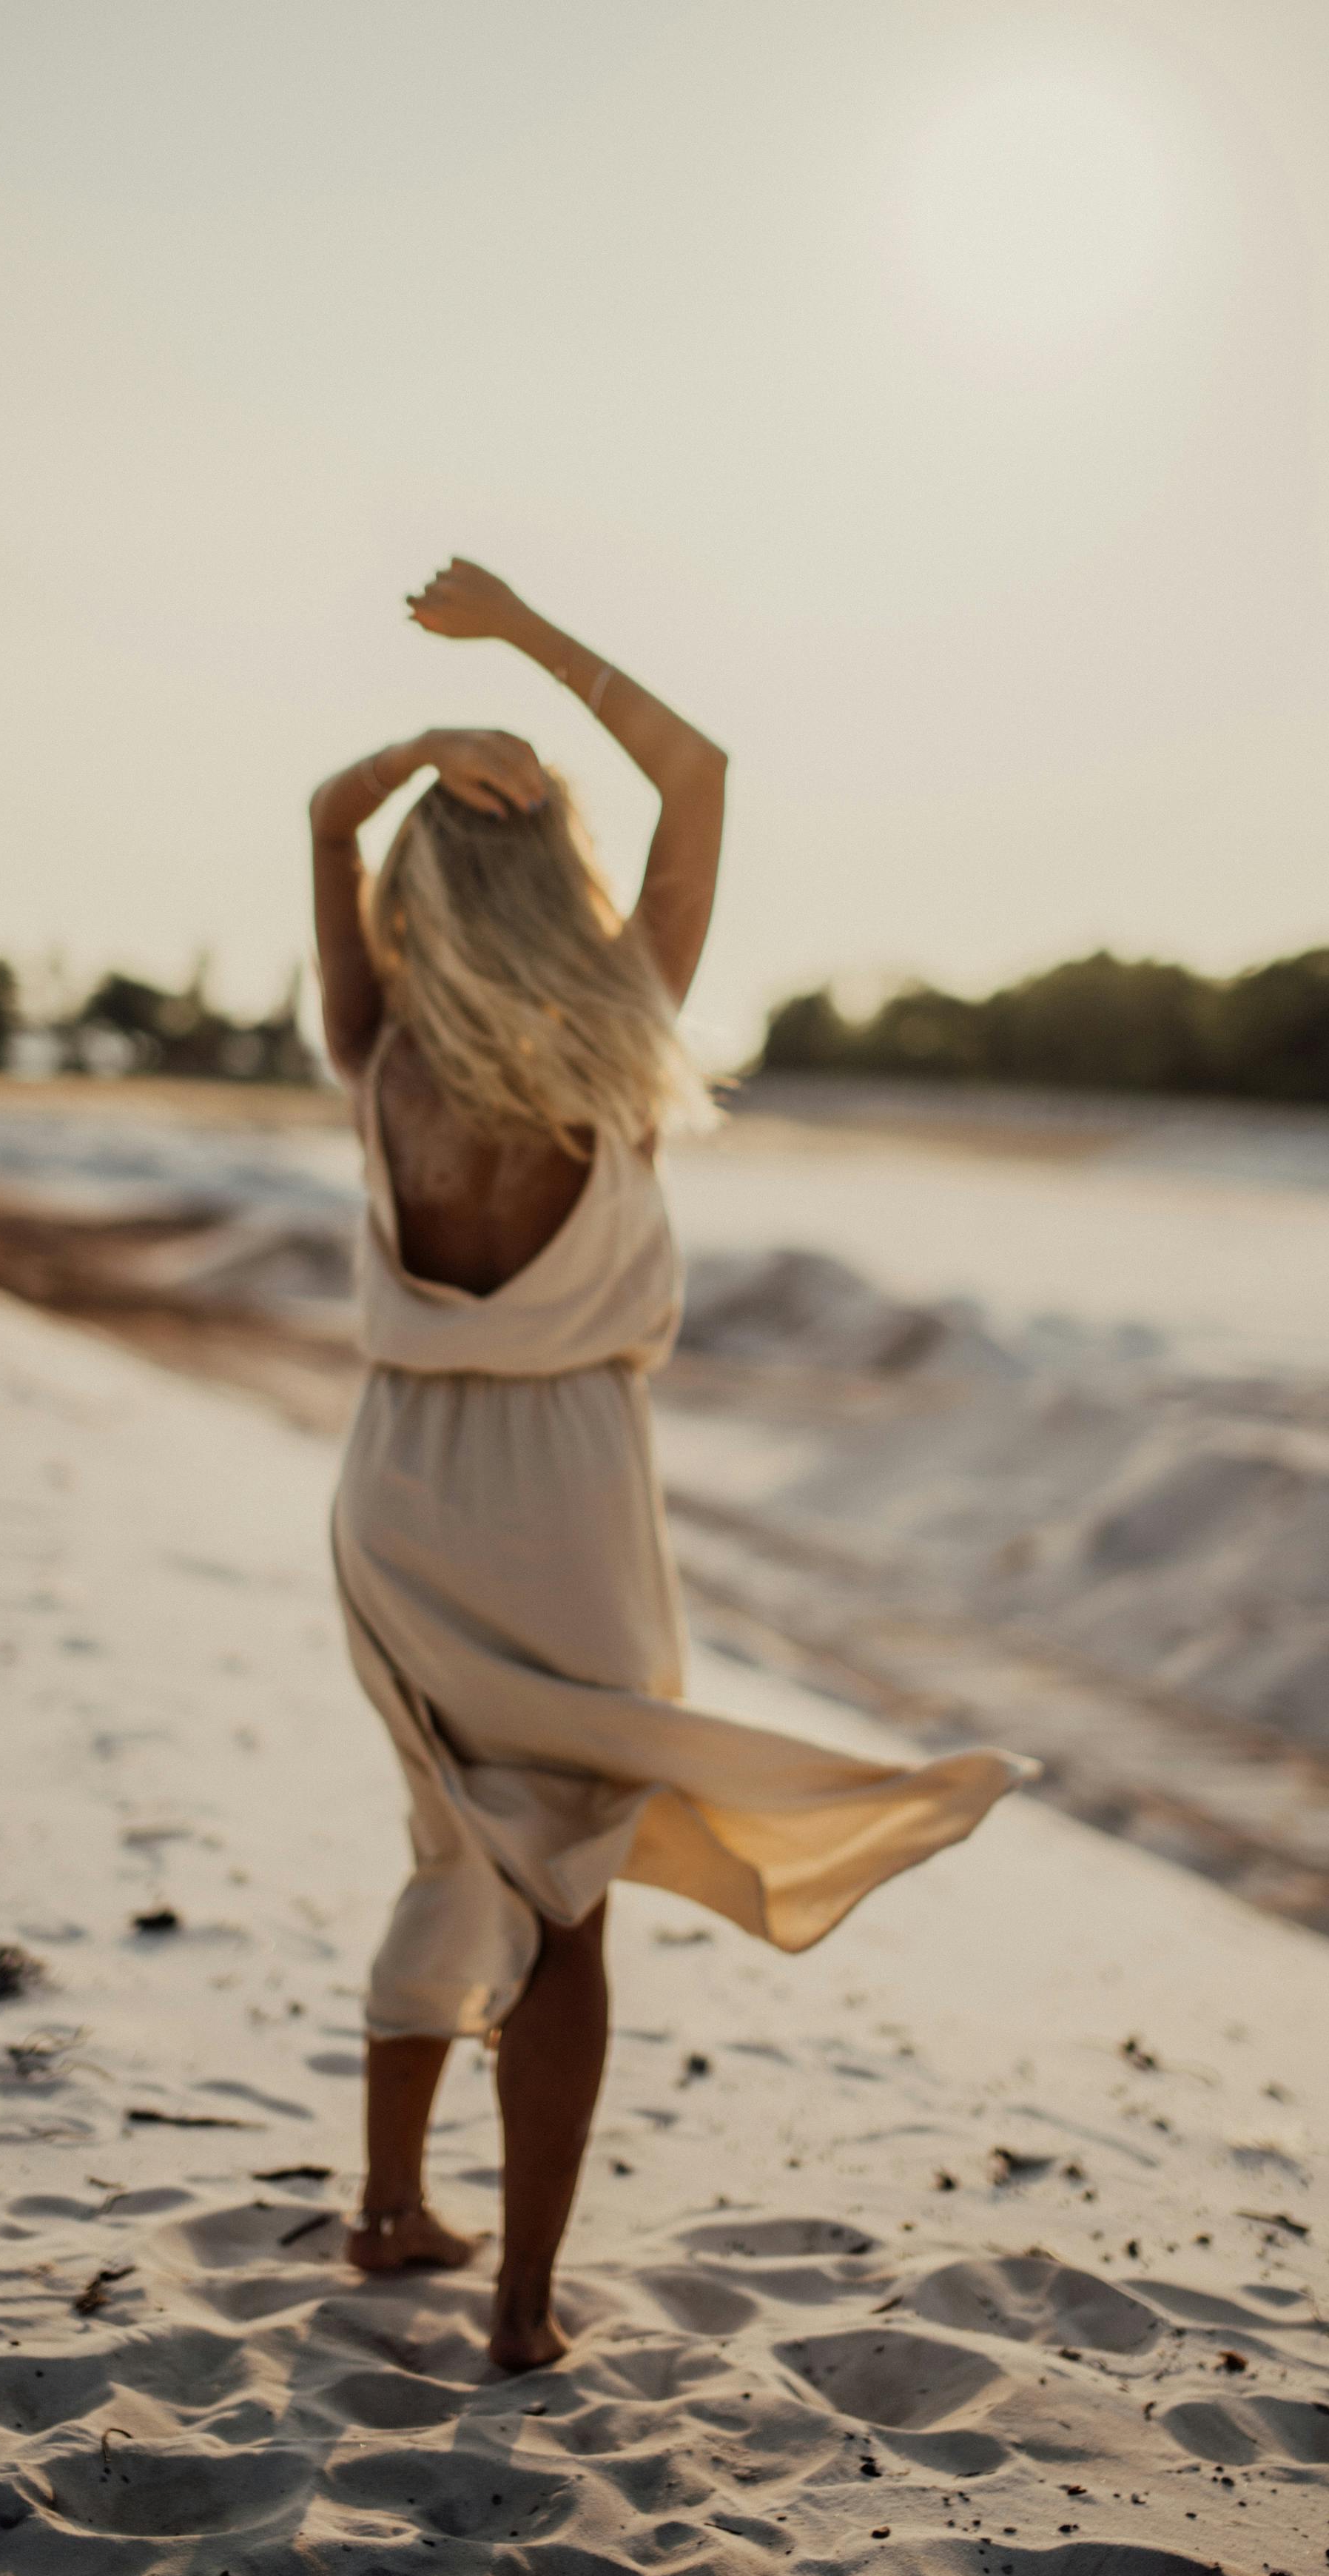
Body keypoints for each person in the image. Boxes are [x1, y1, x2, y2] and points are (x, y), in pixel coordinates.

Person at [310, 559, 1034, 2372]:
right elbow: (698, 769)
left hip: (398, 1503)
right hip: (568, 1512)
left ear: (416, 888)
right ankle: (526, 2304)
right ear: (559, 880)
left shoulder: (378, 1049)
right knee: (565, 1898)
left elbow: (323, 814)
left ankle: (390, 2202)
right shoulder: (618, 1042)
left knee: (447, 1840)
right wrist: (524, 644)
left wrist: (418, 746)